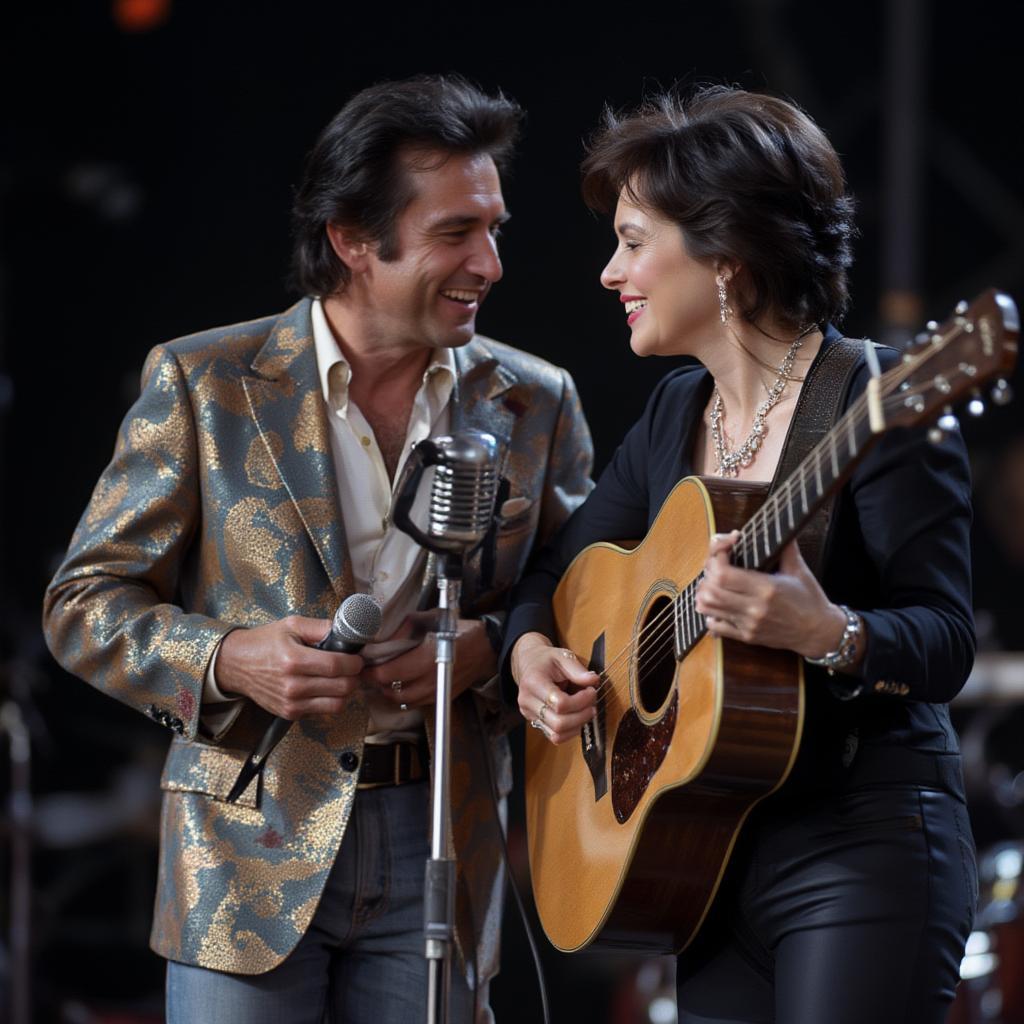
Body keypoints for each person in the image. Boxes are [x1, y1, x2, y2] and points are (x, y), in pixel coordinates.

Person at [42, 75, 593, 1024]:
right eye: (456, 232)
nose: (492, 262)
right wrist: (225, 658)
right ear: (350, 238)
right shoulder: (204, 381)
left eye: (495, 228)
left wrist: (488, 651)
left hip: (443, 844)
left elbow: (577, 598)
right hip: (242, 859)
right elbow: (83, 602)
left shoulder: (536, 401)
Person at [505, 87, 977, 1024]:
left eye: (634, 240)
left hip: (863, 844)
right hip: (704, 854)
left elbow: (946, 640)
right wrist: (528, 654)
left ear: (724, 252)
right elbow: (552, 580)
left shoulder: (872, 395)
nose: (610, 273)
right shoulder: (675, 413)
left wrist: (829, 632)